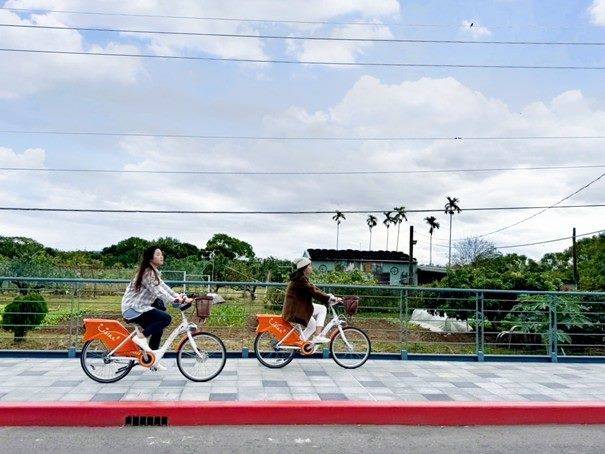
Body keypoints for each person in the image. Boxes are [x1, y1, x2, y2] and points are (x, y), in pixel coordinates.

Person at [121, 246, 191, 370]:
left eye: (161, 254)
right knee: (165, 319)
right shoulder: (147, 273)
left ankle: (152, 359)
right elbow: (158, 291)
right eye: (158, 254)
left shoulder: (154, 272)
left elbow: (164, 287)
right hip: (133, 309)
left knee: (158, 328)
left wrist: (178, 296)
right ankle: (140, 338)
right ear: (150, 258)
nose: (161, 256)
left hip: (140, 308)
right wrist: (174, 300)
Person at [282, 257, 340, 344]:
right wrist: (329, 298)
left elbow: (314, 289)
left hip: (297, 308)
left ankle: (298, 344)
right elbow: (314, 292)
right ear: (304, 268)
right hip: (295, 310)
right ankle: (318, 336)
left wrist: (328, 296)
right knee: (322, 309)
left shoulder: (301, 278)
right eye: (309, 266)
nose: (311, 268)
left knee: (312, 326)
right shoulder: (300, 280)